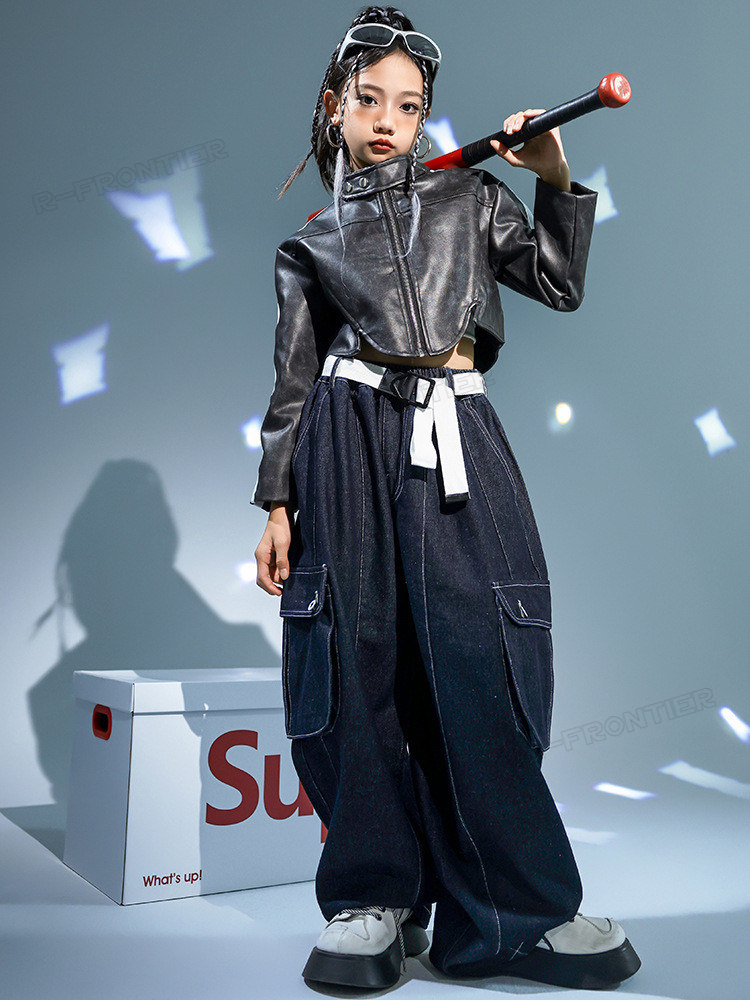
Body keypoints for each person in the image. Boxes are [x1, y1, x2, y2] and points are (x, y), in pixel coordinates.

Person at [253, 5, 641, 992]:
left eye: (408, 104)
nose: (388, 118)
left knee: (481, 657)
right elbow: (292, 385)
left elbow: (558, 282)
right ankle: (373, 901)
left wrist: (552, 175)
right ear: (335, 107)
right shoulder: (312, 242)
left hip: (453, 430)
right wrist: (277, 505)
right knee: (355, 663)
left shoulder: (470, 196)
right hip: (344, 439)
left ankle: (517, 910)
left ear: (426, 116)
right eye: (369, 99)